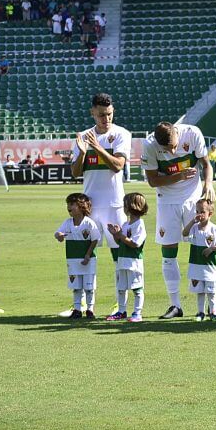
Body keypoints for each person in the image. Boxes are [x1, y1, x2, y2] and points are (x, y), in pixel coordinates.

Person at [141, 120, 213, 320]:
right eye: (167, 148)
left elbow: (206, 164)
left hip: (193, 197)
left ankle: (211, 304)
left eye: (174, 145)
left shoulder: (192, 133)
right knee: (169, 250)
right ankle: (175, 305)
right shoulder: (149, 145)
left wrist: (208, 184)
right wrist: (179, 176)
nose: (172, 151)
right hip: (167, 200)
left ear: (177, 134)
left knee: (203, 246)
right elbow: (152, 181)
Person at [70, 92, 131, 317]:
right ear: (92, 113)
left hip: (114, 205)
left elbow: (118, 165)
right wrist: (83, 154)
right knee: (85, 256)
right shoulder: (83, 136)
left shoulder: (121, 134)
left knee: (120, 257)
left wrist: (97, 148)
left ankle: (120, 304)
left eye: (109, 114)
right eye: (101, 115)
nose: (106, 119)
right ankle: (84, 305)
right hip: (90, 205)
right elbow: (75, 173)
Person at [54, 193, 100, 319]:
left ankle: (90, 309)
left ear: (81, 206)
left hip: (87, 260)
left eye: (72, 204)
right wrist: (59, 235)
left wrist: (87, 255)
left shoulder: (89, 223)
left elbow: (95, 239)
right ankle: (77, 309)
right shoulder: (68, 222)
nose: (69, 207)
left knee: (89, 287)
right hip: (72, 260)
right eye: (68, 204)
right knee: (76, 286)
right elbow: (58, 234)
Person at [105, 192, 148, 323]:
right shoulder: (125, 225)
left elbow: (135, 243)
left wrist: (121, 235)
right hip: (122, 260)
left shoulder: (140, 225)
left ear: (131, 207)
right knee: (121, 288)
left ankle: (137, 313)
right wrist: (115, 235)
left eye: (125, 205)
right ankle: (121, 311)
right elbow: (120, 243)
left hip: (134, 262)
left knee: (137, 288)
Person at [182, 198, 216, 322]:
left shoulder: (215, 229)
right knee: (199, 291)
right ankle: (200, 312)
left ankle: (213, 312)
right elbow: (184, 233)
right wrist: (191, 221)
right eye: (197, 211)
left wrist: (212, 249)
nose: (199, 214)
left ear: (210, 214)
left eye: (202, 212)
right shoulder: (194, 228)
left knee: (211, 291)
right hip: (196, 265)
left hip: (210, 266)